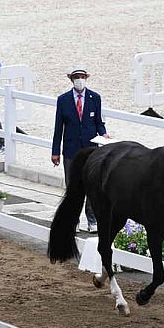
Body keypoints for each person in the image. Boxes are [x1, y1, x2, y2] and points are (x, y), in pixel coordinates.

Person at [51, 65, 109, 233]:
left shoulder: (94, 98)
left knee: (92, 187)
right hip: (71, 150)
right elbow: (58, 127)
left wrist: (104, 134)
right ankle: (73, 221)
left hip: (91, 150)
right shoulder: (63, 100)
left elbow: (98, 121)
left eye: (82, 76)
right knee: (72, 188)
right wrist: (55, 151)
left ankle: (92, 220)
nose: (80, 80)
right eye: (77, 77)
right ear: (72, 79)